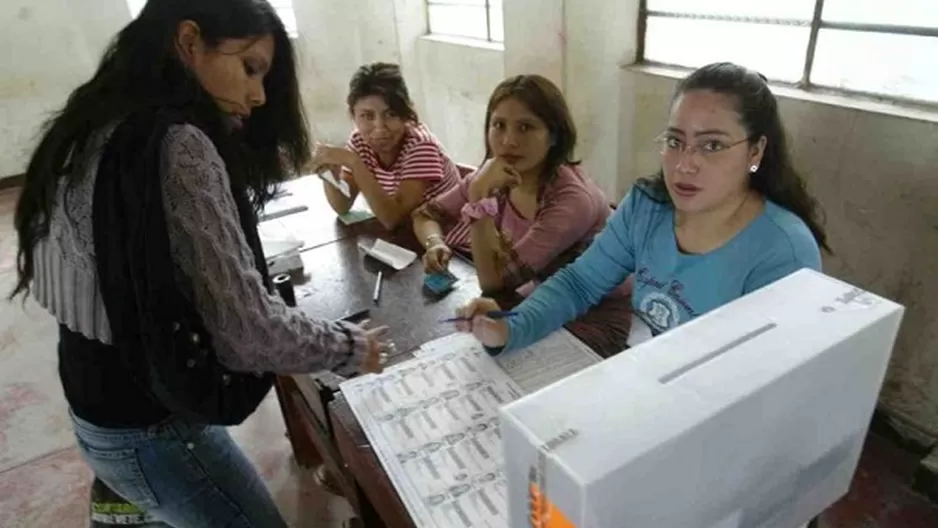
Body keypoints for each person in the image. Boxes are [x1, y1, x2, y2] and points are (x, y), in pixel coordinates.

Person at [10, 1, 388, 526]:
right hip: (151, 429)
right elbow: (250, 333)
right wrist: (349, 348)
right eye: (250, 67)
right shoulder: (179, 143)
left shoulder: (94, 119)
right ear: (189, 43)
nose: (258, 95)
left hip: (94, 406)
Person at [455, 62, 828, 354]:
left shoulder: (783, 254)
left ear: (756, 151)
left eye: (712, 145)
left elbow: (764, 382)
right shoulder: (647, 208)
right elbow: (580, 282)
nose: (685, 163)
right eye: (675, 141)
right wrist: (511, 326)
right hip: (648, 370)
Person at [412, 74, 612, 296]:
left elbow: (494, 283)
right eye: (499, 125)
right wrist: (435, 243)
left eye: (525, 127)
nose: (509, 141)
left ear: (554, 136)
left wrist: (479, 196)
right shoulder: (498, 175)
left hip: (587, 316)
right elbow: (425, 215)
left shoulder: (571, 200)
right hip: (538, 297)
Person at [310, 62, 460, 229]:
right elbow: (342, 206)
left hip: (447, 242)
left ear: (405, 114)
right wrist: (328, 173)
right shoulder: (360, 141)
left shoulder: (421, 146)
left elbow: (392, 219)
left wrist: (354, 163)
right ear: (353, 115)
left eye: (391, 114)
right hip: (411, 237)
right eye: (367, 116)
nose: (380, 128)